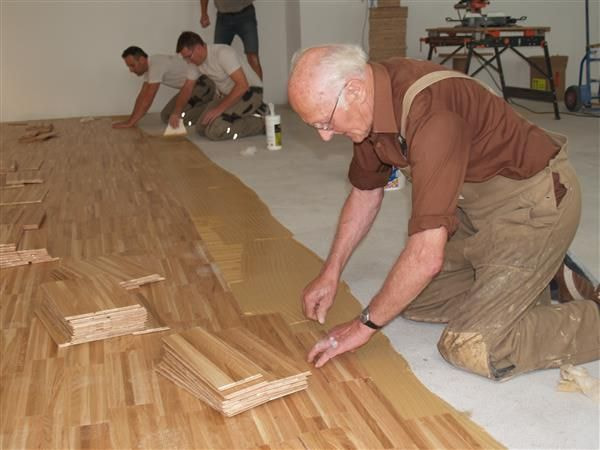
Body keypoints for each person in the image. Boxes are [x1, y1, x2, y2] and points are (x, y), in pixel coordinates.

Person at [287, 44, 600, 380]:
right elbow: (365, 192)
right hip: (475, 212)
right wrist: (330, 272)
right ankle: (542, 276)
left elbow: (426, 257)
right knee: (416, 300)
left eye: (325, 121)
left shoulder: (431, 114)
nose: (325, 136)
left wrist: (363, 326)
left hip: (532, 207)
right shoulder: (370, 101)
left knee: (474, 344)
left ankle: (545, 273)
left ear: (353, 90)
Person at [175, 31, 265, 141]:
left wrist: (218, 110)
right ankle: (245, 114)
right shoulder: (195, 63)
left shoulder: (222, 53)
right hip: (228, 95)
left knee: (216, 131)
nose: (188, 61)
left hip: (250, 93)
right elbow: (187, 88)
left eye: (189, 56)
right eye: (185, 58)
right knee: (201, 129)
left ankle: (262, 123)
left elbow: (242, 86)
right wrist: (176, 113)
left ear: (198, 47)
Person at [113, 46, 216, 129]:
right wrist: (130, 120)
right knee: (166, 116)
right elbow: (142, 96)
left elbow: (148, 98)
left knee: (180, 120)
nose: (131, 70)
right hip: (189, 89)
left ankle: (213, 108)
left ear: (142, 60)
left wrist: (130, 123)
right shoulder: (150, 69)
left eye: (132, 65)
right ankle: (206, 105)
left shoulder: (156, 65)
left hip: (204, 85)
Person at [199, 0, 263, 80]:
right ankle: (223, 88)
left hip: (246, 15)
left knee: (252, 56)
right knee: (217, 56)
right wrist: (204, 14)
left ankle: (258, 88)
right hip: (223, 18)